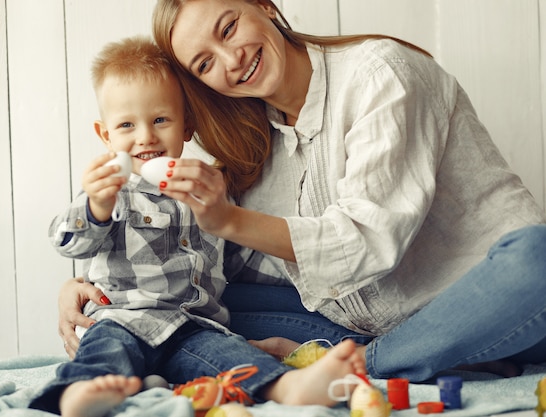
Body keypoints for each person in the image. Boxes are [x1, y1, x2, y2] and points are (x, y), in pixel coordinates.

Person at [58, 0, 546, 385]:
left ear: (264, 5)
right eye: (205, 63)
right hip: (364, 321)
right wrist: (103, 295)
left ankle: (372, 364)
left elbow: (365, 242)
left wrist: (228, 218)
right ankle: (416, 356)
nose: (231, 61)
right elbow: (211, 262)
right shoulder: (254, 143)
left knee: (539, 259)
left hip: (487, 301)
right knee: (194, 308)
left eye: (228, 28)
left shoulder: (381, 73)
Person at [31, 36, 365, 417]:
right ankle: (81, 393)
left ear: (186, 126)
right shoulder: (112, 193)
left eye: (160, 119)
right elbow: (68, 241)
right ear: (107, 136)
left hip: (194, 326)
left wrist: (297, 269)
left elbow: (237, 259)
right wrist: (95, 207)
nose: (146, 136)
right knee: (106, 348)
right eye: (126, 125)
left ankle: (288, 386)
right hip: (127, 318)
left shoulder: (204, 191)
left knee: (231, 356)